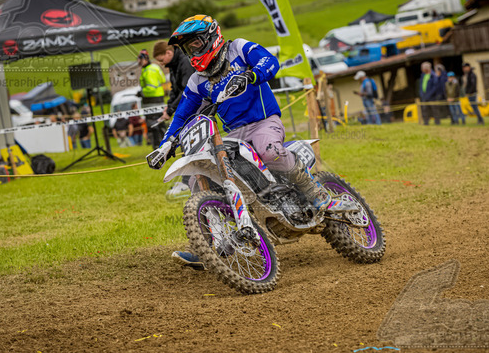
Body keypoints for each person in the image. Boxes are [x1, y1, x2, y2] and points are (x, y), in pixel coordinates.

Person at [154, 14, 356, 269]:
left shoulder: (238, 48)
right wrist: (166, 144)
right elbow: (183, 113)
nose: (193, 52)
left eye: (196, 44)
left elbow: (269, 61)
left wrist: (250, 75)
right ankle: (210, 245)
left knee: (268, 151)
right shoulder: (197, 80)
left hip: (264, 121)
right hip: (232, 134)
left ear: (211, 37)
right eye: (187, 48)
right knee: (198, 178)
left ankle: (317, 194)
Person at [153, 40, 196, 198]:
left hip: (194, 109)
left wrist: (172, 109)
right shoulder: (172, 65)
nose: (161, 63)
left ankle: (188, 182)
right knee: (185, 144)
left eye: (161, 59)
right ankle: (188, 180)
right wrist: (169, 107)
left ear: (169, 53)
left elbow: (186, 91)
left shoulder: (185, 62)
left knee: (189, 145)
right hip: (184, 109)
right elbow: (174, 89)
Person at [137, 49, 167, 147]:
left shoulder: (148, 70)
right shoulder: (154, 67)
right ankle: (166, 144)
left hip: (151, 100)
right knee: (161, 124)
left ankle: (157, 147)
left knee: (153, 125)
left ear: (144, 59)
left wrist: (141, 93)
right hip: (159, 99)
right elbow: (163, 79)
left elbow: (151, 87)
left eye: (139, 59)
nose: (138, 61)